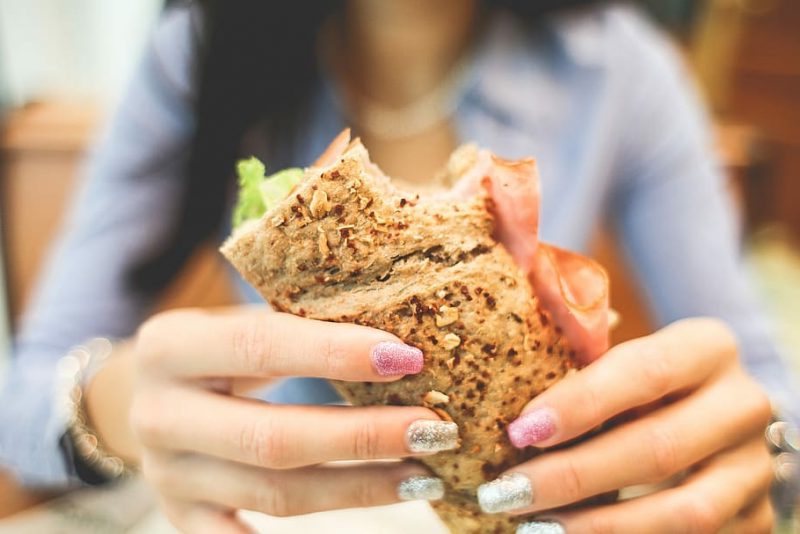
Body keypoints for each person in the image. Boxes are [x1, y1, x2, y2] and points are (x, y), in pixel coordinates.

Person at [1, 1, 796, 532]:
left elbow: (764, 380)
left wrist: (748, 444)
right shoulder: (205, 43)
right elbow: (23, 398)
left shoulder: (622, 66)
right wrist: (125, 404)